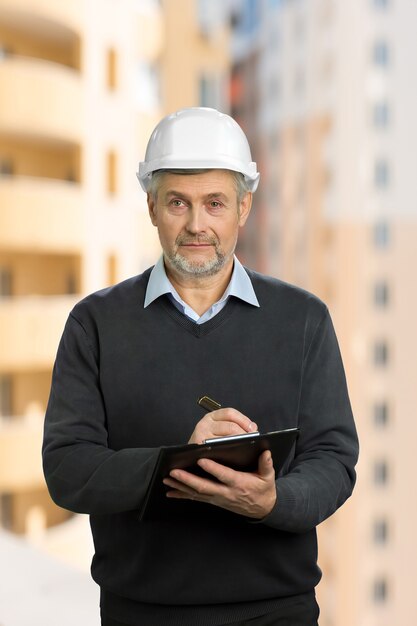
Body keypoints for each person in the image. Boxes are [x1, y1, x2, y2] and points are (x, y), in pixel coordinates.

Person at [42, 107, 359, 626]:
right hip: (140, 615)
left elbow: (334, 459)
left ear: (244, 207)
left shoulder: (303, 319)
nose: (196, 224)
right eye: (177, 203)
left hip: (278, 614)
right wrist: (178, 461)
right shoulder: (94, 324)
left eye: (214, 203)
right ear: (151, 207)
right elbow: (67, 469)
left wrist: (273, 501)